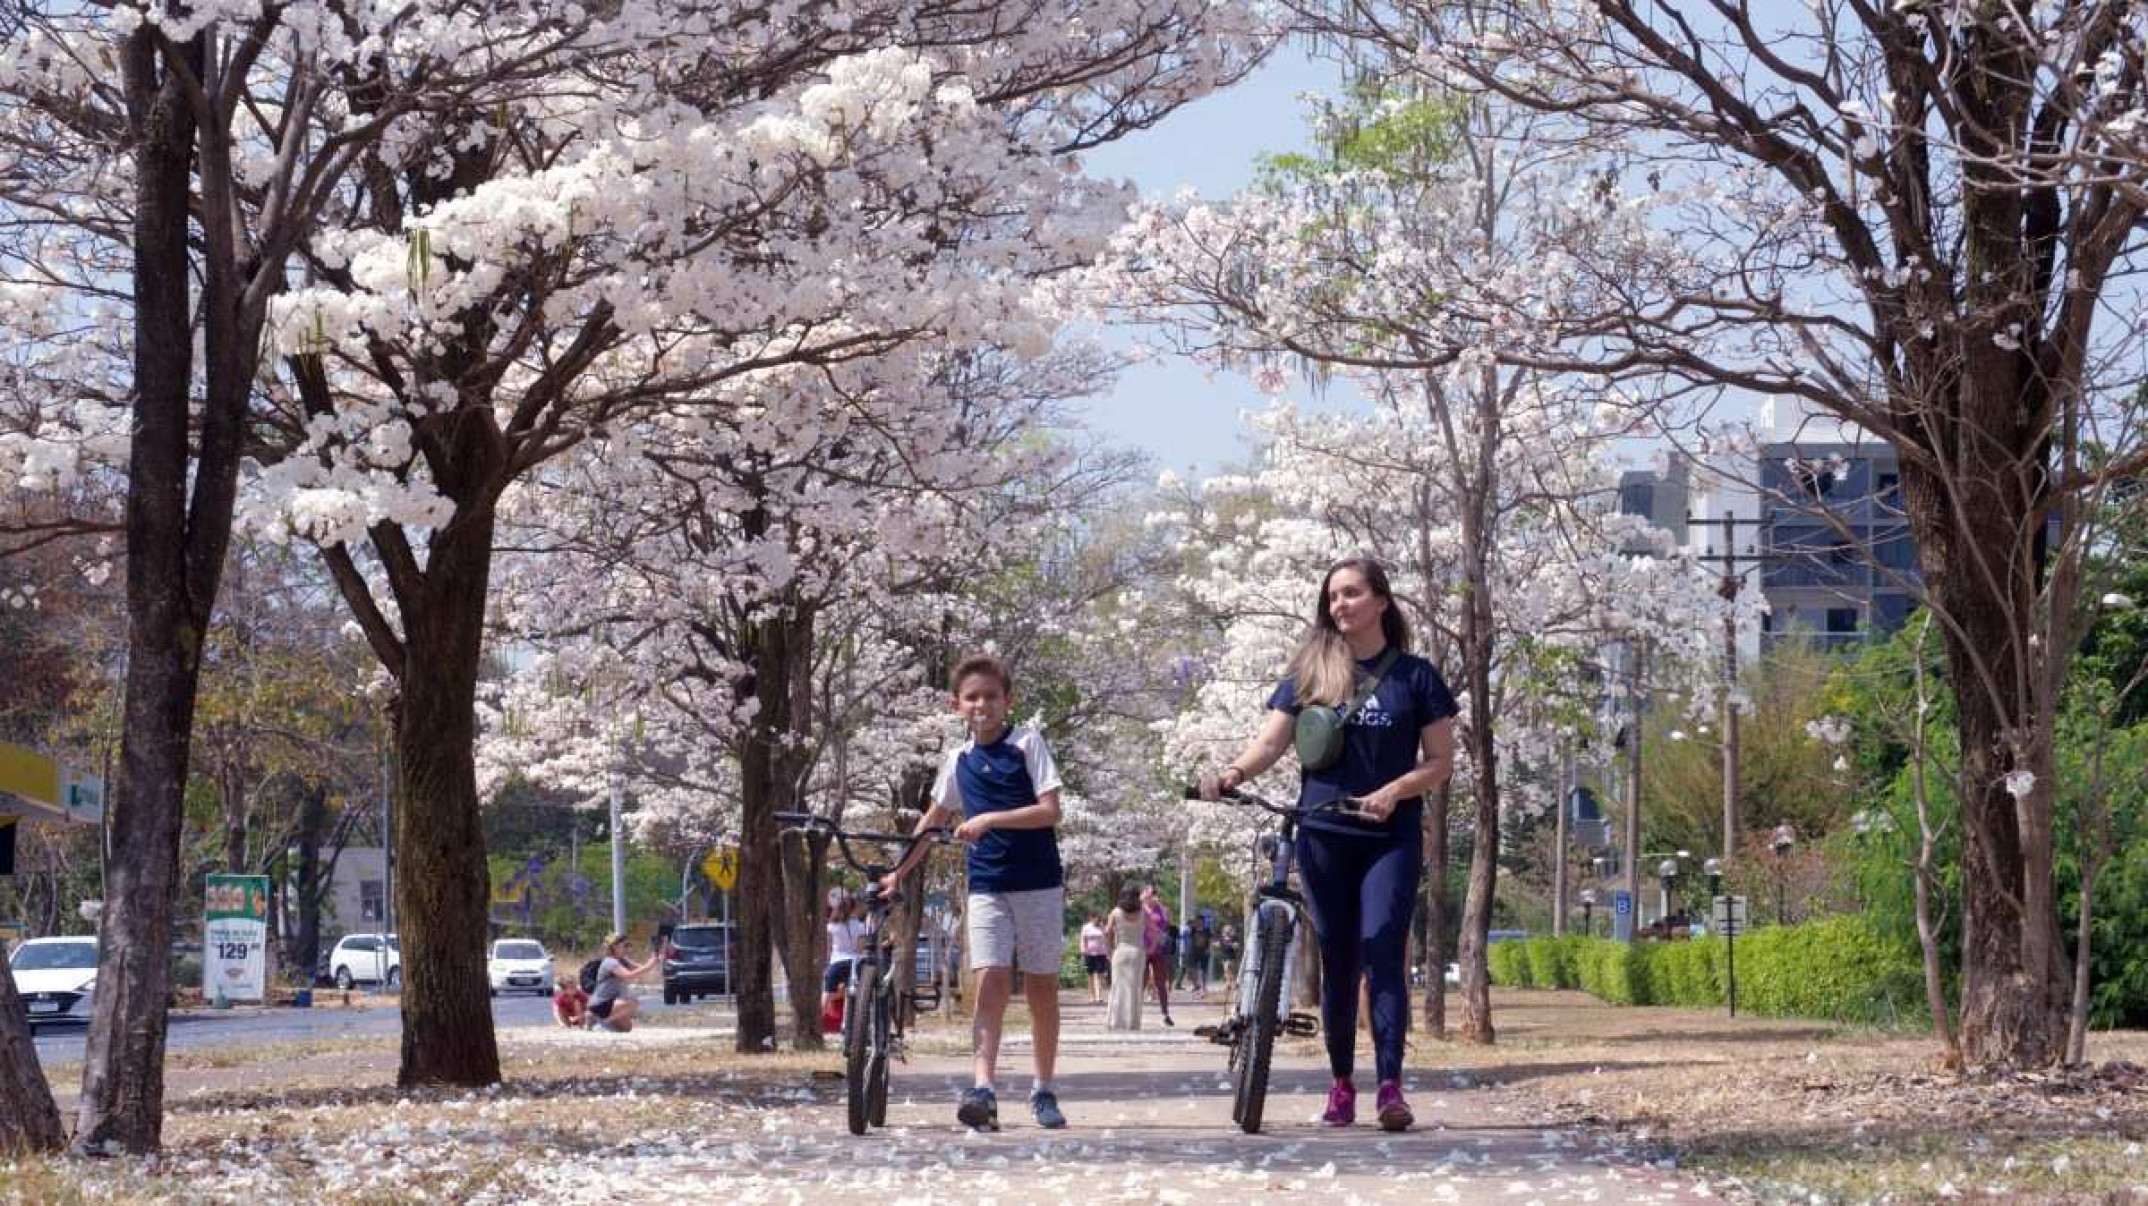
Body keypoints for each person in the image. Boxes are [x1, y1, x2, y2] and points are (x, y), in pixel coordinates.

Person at [1199, 554, 1458, 1133]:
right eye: (1333, 596)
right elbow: (1269, 742)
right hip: (1323, 833)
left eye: (1352, 593)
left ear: (1381, 602)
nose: (1340, 604)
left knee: (1383, 947)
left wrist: (1395, 790)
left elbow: (1441, 762)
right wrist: (1233, 774)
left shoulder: (1416, 678)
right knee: (1340, 959)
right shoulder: (1310, 673)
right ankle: (1342, 1085)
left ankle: (1390, 1086)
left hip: (1388, 835)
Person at [881, 653, 1069, 1132]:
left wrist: (989, 819)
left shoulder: (1027, 744)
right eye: (972, 697)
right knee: (990, 981)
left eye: (991, 696)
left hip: (1038, 884)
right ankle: (982, 1089)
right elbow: (932, 821)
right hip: (986, 886)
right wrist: (898, 873)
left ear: (1008, 700)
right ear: (957, 705)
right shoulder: (957, 760)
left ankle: (1043, 1089)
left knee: (1042, 988)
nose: (982, 705)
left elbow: (1050, 811)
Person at [588, 931, 666, 1033]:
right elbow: (629, 975)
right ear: (614, 947)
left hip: (612, 1002)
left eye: (628, 945)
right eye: (625, 945)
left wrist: (655, 959)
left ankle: (603, 1022)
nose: (627, 948)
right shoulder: (610, 962)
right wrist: (649, 965)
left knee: (626, 1028)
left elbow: (642, 970)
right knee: (633, 1002)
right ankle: (599, 1021)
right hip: (601, 1003)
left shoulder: (623, 960)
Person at [823, 891, 866, 1034]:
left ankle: (817, 1020)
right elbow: (860, 949)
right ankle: (845, 1024)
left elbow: (828, 948)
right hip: (853, 963)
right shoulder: (860, 926)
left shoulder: (831, 926)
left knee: (828, 992)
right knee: (849, 993)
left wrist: (827, 963)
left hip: (836, 962)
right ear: (853, 908)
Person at [1103, 884, 1145, 1030]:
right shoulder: (1143, 912)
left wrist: (1109, 950)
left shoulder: (1115, 912)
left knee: (1118, 986)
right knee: (1135, 987)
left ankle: (1116, 1021)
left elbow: (1108, 932)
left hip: (1121, 950)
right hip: (1138, 952)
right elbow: (1153, 931)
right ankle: (1132, 1022)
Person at [1138, 885, 1174, 1026]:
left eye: (1154, 893)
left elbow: (1165, 926)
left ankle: (1165, 1013)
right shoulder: (1139, 909)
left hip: (1158, 949)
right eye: (1149, 893)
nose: (1152, 895)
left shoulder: (1162, 909)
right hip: (1143, 948)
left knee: (1161, 982)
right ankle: (1136, 1012)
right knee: (1141, 981)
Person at [1079, 915, 1111, 1005]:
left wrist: (1108, 952)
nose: (1097, 920)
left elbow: (1107, 940)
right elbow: (1082, 940)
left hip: (1101, 954)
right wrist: (1082, 952)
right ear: (1091, 918)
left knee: (1099, 975)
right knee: (1090, 975)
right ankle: (1091, 996)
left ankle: (1099, 996)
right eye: (1095, 918)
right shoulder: (1086, 927)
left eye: (1098, 918)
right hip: (1089, 953)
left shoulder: (1102, 927)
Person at [1187, 917, 1213, 997]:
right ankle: (1195, 985)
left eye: (1200, 921)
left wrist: (1209, 949)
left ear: (1203, 922)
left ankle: (1204, 987)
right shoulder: (1193, 930)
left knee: (1203, 970)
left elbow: (1211, 940)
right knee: (1192, 970)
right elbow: (1188, 923)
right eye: (1197, 921)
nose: (1199, 923)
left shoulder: (1207, 930)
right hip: (1194, 952)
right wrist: (1193, 924)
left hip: (1204, 952)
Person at [1216, 922, 1241, 989]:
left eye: (1229, 930)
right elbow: (1218, 944)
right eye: (1226, 930)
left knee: (1231, 970)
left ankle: (1233, 983)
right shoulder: (1222, 938)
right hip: (1224, 957)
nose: (1227, 932)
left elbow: (1236, 946)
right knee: (1226, 971)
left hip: (1231, 957)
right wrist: (1216, 944)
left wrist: (1232, 945)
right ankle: (1228, 983)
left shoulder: (1234, 938)